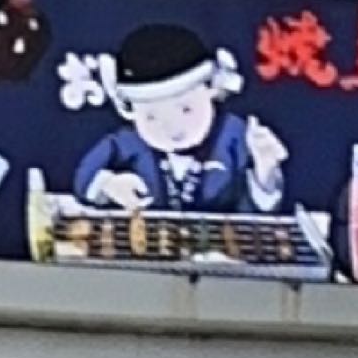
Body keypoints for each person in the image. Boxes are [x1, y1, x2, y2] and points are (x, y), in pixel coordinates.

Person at [74, 24, 287, 221]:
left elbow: (259, 213)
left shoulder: (234, 136)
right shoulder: (127, 142)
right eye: (151, 116)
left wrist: (266, 171)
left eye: (186, 109)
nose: (172, 129)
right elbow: (84, 177)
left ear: (212, 91)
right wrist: (109, 184)